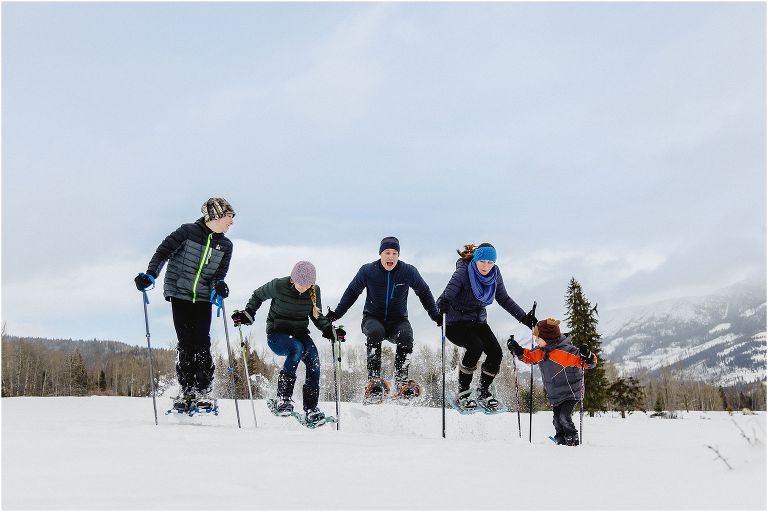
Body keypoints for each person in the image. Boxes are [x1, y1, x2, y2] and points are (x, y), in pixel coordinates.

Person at [134, 198, 235, 410]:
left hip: (203, 298)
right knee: (186, 342)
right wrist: (151, 274)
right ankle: (187, 390)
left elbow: (219, 275)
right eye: (229, 216)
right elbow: (163, 252)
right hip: (179, 294)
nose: (231, 222)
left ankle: (203, 390)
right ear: (216, 215)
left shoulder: (226, 246)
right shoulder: (187, 232)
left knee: (202, 343)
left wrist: (219, 286)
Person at [325, 236, 441, 401]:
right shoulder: (368, 271)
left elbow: (423, 291)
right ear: (380, 254)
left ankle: (401, 382)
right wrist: (337, 313)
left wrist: (435, 314)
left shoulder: (408, 271)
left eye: (394, 253)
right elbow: (352, 291)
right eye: (387, 252)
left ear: (398, 255)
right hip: (372, 318)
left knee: (406, 335)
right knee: (375, 332)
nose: (391, 257)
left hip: (398, 320)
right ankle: (374, 380)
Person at [231, 261, 342, 424]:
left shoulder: (314, 291)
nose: (303, 287)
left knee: (314, 359)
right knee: (296, 348)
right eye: (300, 283)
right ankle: (283, 398)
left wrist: (329, 330)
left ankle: (311, 409)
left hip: (300, 333)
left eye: (307, 284)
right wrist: (248, 313)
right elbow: (258, 295)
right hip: (277, 334)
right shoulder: (278, 285)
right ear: (293, 279)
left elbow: (317, 316)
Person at [436, 243, 537, 411]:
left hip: (477, 322)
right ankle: (463, 392)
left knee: (496, 352)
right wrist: (442, 307)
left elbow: (504, 299)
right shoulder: (463, 272)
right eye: (482, 261)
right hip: (454, 323)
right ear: (475, 260)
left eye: (490, 262)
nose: (486, 266)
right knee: (475, 346)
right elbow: (445, 296)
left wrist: (525, 318)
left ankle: (483, 391)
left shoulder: (495, 274)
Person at [507, 318, 597, 446]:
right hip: (555, 395)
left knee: (564, 417)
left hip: (571, 392)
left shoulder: (566, 351)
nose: (536, 340)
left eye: (538, 337)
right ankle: (560, 440)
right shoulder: (541, 351)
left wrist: (587, 356)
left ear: (548, 338)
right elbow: (529, 357)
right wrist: (517, 349)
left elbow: (588, 362)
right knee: (556, 421)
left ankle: (572, 438)